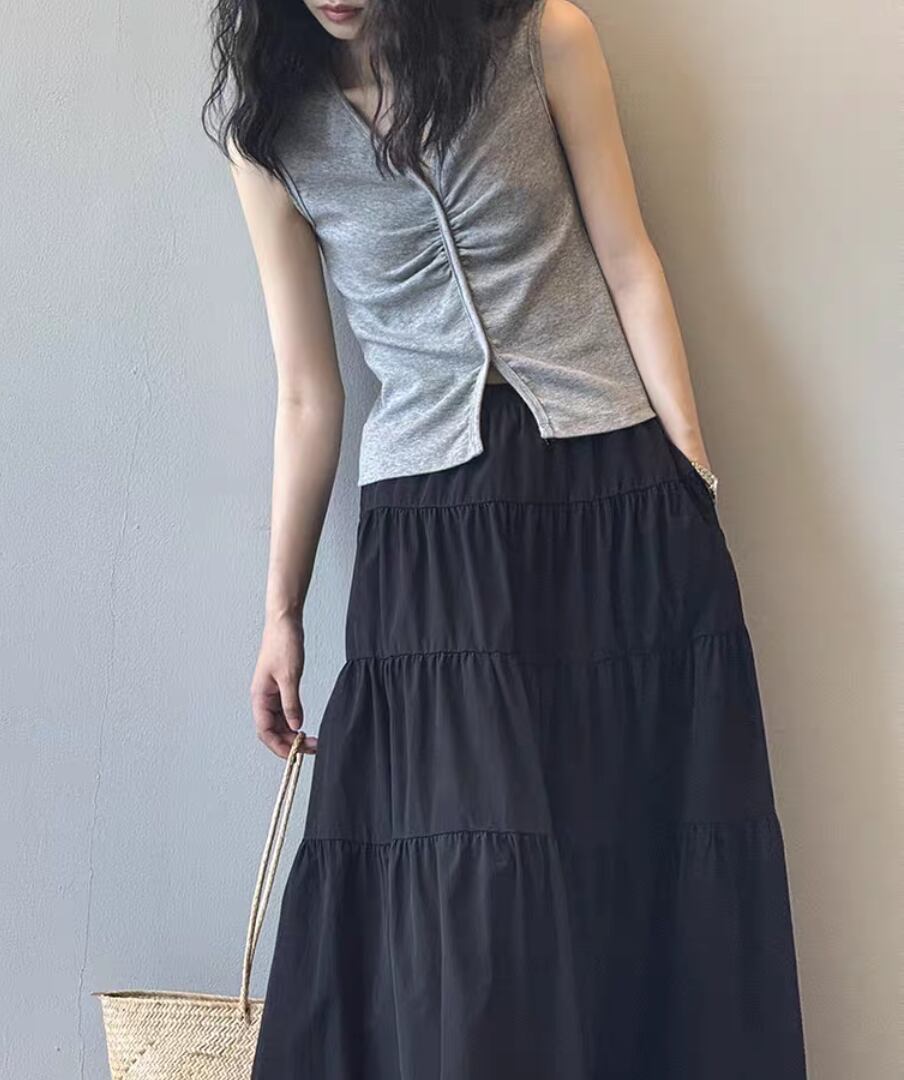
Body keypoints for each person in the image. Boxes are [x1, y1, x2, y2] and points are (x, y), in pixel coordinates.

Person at [204, 0, 807, 1075]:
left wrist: (692, 473)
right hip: (430, 538)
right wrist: (280, 612)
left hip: (612, 495)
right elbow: (306, 393)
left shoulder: (542, 39)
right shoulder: (273, 137)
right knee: (477, 907)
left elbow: (628, 259)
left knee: (629, 858)